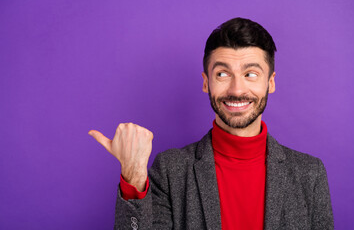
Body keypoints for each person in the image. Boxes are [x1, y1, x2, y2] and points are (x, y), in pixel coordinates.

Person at [88, 17, 334, 230]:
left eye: (250, 74)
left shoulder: (309, 174)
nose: (237, 89)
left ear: (270, 82)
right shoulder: (171, 169)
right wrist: (133, 178)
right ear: (206, 82)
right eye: (222, 74)